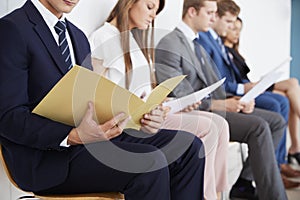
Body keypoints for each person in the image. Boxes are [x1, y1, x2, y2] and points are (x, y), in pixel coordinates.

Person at [0, 0, 206, 199]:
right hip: (47, 159)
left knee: (188, 147)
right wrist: (72, 136)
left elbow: (89, 102)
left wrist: (141, 118)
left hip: (92, 141)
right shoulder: (12, 29)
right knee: (149, 161)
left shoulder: (78, 37)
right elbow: (8, 117)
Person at [89, 0, 229, 199]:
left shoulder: (135, 41)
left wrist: (167, 103)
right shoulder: (102, 37)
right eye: (149, 7)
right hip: (127, 122)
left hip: (146, 116)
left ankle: (214, 194)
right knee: (208, 128)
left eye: (156, 10)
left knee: (217, 124)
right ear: (129, 3)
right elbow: (94, 95)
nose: (154, 15)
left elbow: (146, 90)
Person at [155, 0, 287, 199]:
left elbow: (215, 85)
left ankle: (244, 183)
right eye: (209, 13)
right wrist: (222, 104)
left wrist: (236, 100)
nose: (213, 18)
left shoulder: (196, 44)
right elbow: (179, 96)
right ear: (192, 12)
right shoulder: (171, 42)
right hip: (196, 112)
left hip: (213, 107)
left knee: (275, 121)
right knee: (258, 126)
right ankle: (273, 196)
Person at [197, 0, 298, 189]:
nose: (232, 29)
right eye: (229, 23)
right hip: (225, 97)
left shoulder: (218, 43)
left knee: (281, 101)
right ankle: (272, 167)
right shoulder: (204, 41)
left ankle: (272, 167)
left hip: (234, 92)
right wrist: (242, 91)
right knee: (277, 105)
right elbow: (217, 82)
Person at [224, 17, 300, 168]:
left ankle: (288, 154)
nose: (237, 33)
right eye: (233, 28)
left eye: (239, 29)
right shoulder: (222, 51)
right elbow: (233, 82)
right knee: (290, 87)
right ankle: (283, 159)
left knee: (287, 94)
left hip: (249, 85)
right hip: (245, 88)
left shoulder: (234, 52)